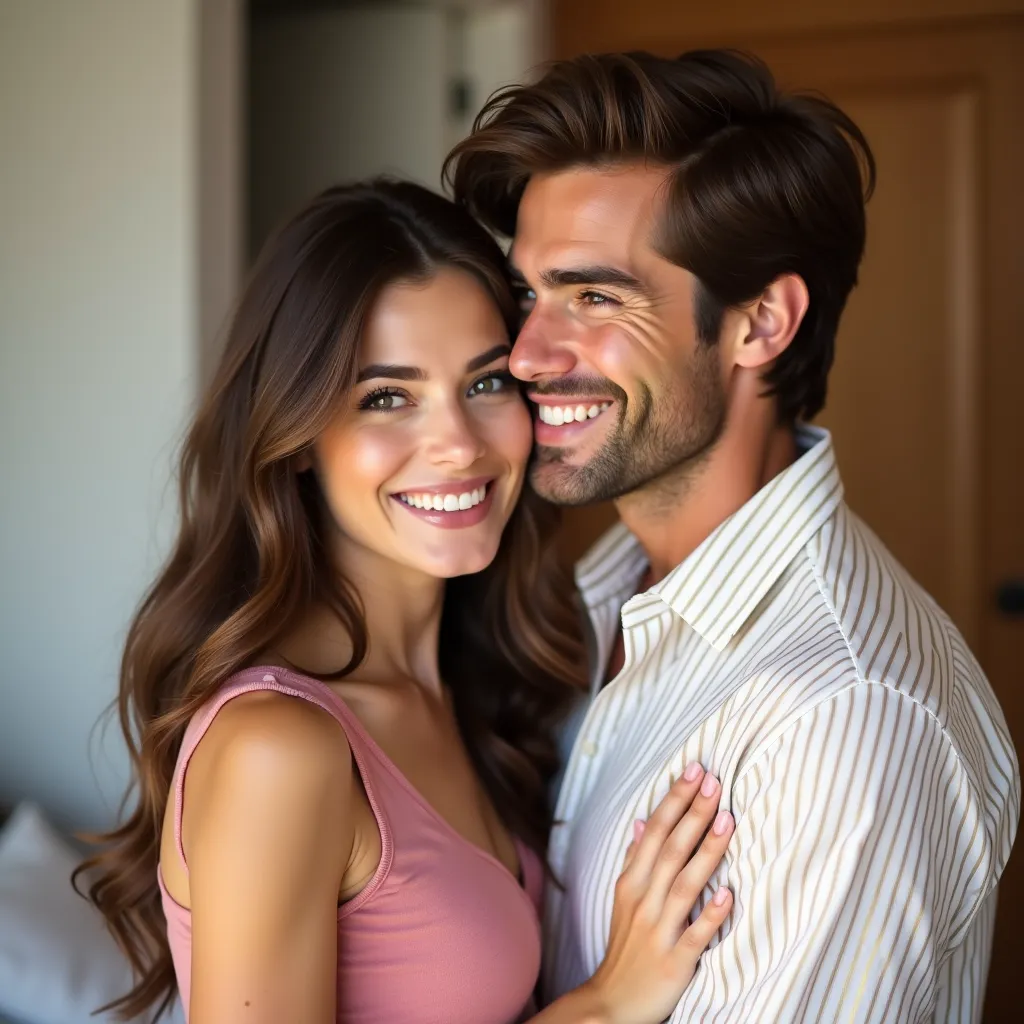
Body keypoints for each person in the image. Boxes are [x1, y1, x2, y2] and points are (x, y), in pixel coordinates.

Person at [445, 48, 1020, 1022]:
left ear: (760, 322)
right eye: (530, 294)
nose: (528, 355)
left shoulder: (842, 723)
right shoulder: (592, 592)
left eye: (595, 297)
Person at [75, 180, 737, 1024]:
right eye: (387, 397)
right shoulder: (276, 749)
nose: (457, 445)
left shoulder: (471, 685)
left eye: (487, 383)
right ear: (299, 437)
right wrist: (602, 1008)